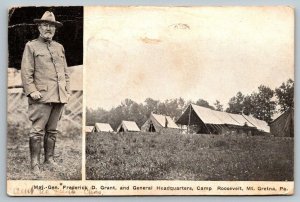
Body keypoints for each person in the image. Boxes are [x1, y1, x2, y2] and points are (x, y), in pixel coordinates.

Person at [21, 11, 70, 174]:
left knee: (52, 131)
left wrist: (66, 92)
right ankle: (34, 163)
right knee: (37, 131)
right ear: (39, 27)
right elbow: (26, 72)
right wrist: (32, 91)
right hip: (40, 97)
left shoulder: (59, 47)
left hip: (58, 96)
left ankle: (49, 159)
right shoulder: (31, 46)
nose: (49, 28)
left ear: (55, 29)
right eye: (45, 25)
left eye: (52, 26)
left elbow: (65, 73)